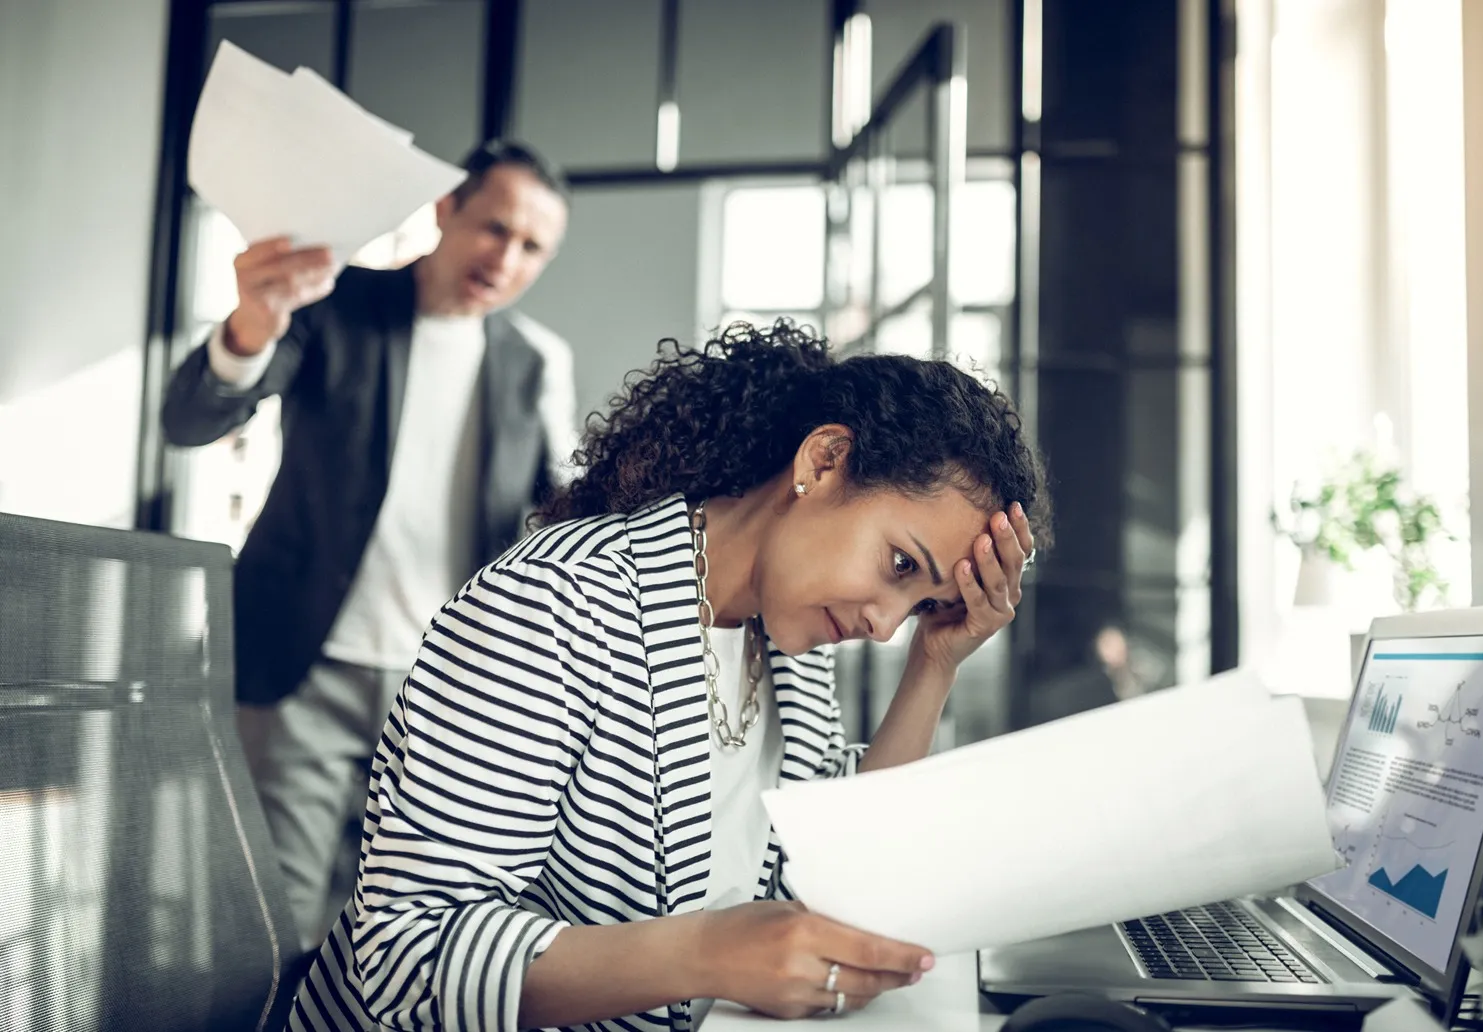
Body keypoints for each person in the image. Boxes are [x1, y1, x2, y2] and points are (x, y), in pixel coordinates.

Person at [288, 320, 1053, 1031]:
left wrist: (935, 662)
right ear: (823, 462)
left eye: (921, 605)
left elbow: (829, 872)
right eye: (899, 565)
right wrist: (709, 954)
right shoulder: (557, 607)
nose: (885, 625)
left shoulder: (784, 649)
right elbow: (405, 954)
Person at [161, 138, 578, 950]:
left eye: (533, 248)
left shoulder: (536, 362)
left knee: (408, 927)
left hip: (451, 681)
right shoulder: (333, 302)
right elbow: (192, 419)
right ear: (445, 210)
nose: (507, 258)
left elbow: (562, 507)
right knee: (272, 914)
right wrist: (251, 326)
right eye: (495, 228)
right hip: (303, 662)